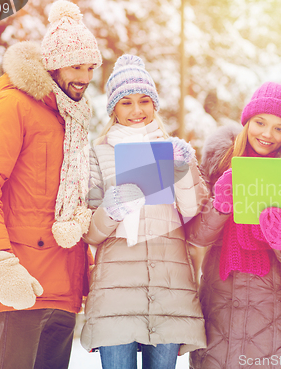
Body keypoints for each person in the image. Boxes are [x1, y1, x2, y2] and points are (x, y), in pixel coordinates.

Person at [0, 1, 102, 368]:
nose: (84, 76)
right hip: (23, 282)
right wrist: (1, 264)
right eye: (75, 66)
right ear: (52, 65)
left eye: (90, 67)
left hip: (65, 286)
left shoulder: (73, 119)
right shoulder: (13, 106)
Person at [79, 54, 207, 369]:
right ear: (113, 108)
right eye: (126, 103)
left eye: (144, 101)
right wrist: (111, 209)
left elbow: (193, 212)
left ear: (154, 105)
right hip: (116, 290)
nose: (137, 111)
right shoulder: (97, 153)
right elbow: (90, 233)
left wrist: (183, 169)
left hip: (169, 285)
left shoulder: (172, 148)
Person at [187, 82, 281, 369]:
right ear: (247, 121)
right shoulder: (217, 166)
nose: (267, 134)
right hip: (220, 307)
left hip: (273, 312)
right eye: (260, 122)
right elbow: (198, 236)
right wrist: (220, 205)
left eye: (279, 128)